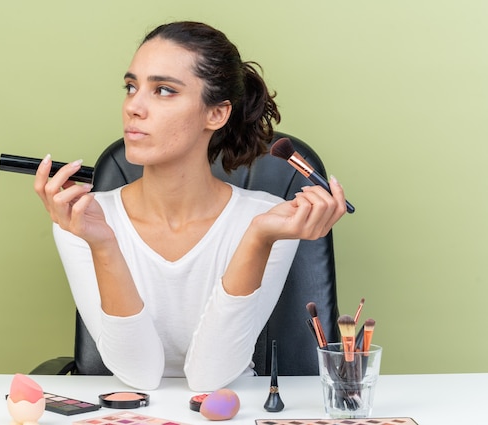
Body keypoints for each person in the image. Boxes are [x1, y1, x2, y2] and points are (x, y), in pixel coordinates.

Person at [34, 21, 346, 391]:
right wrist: (103, 243)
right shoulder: (82, 218)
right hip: (133, 411)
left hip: (236, 410)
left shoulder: (269, 219)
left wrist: (258, 238)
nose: (134, 106)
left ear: (216, 114)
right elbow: (138, 375)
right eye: (131, 87)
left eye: (163, 90)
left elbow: (209, 378)